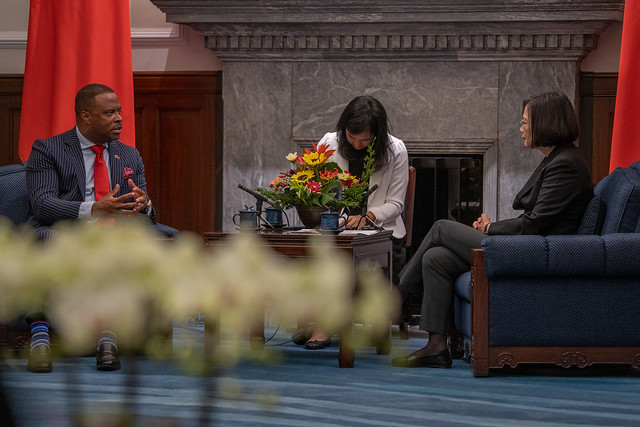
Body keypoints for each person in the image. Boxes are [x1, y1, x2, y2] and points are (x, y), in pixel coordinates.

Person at [391, 91, 594, 368]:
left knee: (440, 228)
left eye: (525, 122)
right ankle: (436, 347)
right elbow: (538, 219)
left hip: (537, 253)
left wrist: (490, 227)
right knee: (436, 258)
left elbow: (534, 224)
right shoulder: (558, 158)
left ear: (546, 123)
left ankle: (397, 296)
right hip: (532, 246)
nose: (520, 129)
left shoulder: (566, 164)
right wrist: (491, 228)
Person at [24, 83, 155, 373]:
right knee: (42, 238)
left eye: (119, 111)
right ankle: (40, 337)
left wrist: (144, 205)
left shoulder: (129, 155)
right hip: (64, 229)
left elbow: (144, 211)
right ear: (85, 116)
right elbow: (43, 205)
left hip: (113, 232)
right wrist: (94, 209)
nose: (119, 118)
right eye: (110, 113)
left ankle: (108, 337)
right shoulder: (48, 149)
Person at [294, 95, 409, 349]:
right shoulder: (329, 143)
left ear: (377, 136)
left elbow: (396, 204)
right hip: (338, 231)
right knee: (321, 256)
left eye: (365, 140)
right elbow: (314, 189)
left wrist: (369, 216)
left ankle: (322, 326)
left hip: (382, 236)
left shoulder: (396, 151)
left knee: (344, 263)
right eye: (351, 137)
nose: (357, 144)